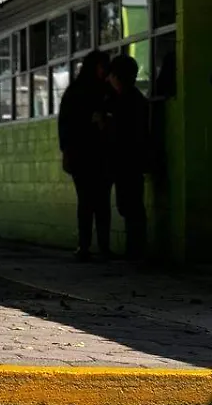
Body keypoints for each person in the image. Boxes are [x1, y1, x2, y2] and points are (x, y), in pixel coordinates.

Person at [58, 49, 113, 261]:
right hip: (84, 154)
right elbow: (66, 125)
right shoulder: (79, 93)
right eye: (102, 66)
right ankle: (88, 245)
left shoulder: (99, 91)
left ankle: (95, 246)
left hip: (98, 154)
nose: (105, 71)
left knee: (99, 202)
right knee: (90, 201)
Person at [108, 54, 149, 261]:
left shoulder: (125, 102)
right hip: (133, 160)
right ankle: (135, 250)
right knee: (132, 205)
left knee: (130, 206)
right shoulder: (135, 100)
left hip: (126, 161)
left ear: (117, 76)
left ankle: (136, 251)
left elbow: (120, 133)